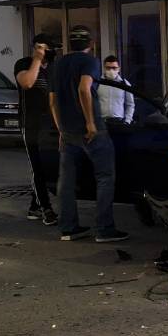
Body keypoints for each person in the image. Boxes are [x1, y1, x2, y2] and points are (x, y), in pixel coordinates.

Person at [49, 27, 129, 243]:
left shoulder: (59, 64)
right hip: (91, 131)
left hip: (68, 132)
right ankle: (104, 229)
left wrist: (61, 129)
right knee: (105, 177)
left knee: (66, 181)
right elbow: (84, 89)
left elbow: (53, 100)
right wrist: (91, 122)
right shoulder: (90, 62)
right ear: (91, 43)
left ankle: (68, 227)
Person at [14, 34, 59, 225]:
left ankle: (34, 206)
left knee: (46, 167)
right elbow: (27, 83)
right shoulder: (24, 64)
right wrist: (37, 60)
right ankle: (46, 209)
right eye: (48, 48)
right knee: (37, 168)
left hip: (50, 124)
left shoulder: (53, 69)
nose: (52, 53)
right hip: (30, 124)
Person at [97, 54, 135, 130]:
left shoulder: (124, 84)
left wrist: (127, 121)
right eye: (108, 68)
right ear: (104, 68)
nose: (111, 70)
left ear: (119, 69)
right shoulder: (97, 83)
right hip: (101, 123)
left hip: (119, 123)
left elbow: (130, 104)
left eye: (114, 68)